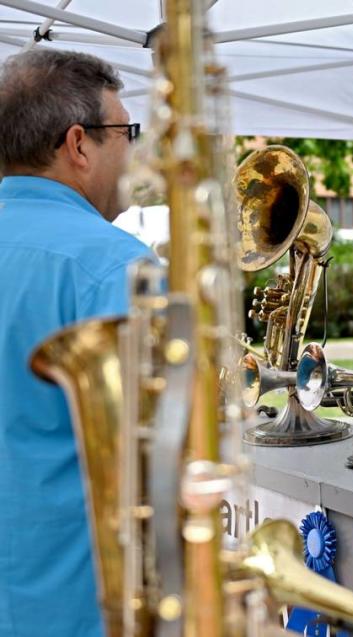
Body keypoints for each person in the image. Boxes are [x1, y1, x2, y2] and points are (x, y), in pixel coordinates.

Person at [0, 49, 152, 637]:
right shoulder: (117, 265)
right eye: (124, 132)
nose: (131, 151)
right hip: (82, 611)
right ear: (78, 144)